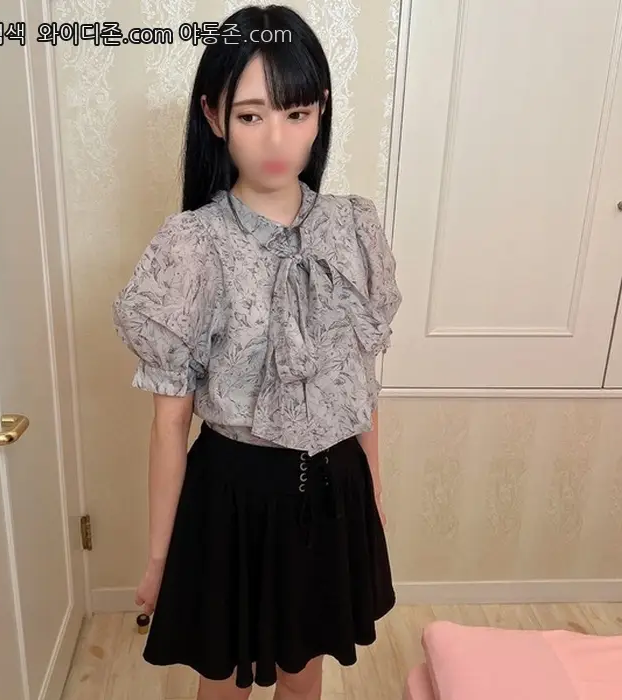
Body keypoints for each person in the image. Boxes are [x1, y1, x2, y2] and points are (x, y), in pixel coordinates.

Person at [112, 4, 402, 699]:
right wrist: (160, 557)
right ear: (214, 117)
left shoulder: (354, 228)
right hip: (233, 497)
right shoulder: (192, 246)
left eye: (296, 113)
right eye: (251, 115)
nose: (277, 138)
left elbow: (358, 382)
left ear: (320, 111)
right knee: (224, 682)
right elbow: (169, 424)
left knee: (305, 674)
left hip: (335, 489)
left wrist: (374, 493)